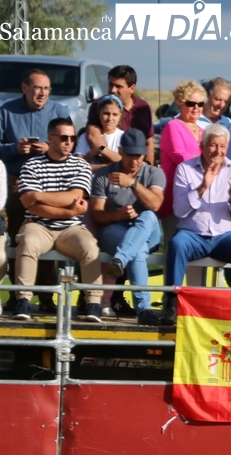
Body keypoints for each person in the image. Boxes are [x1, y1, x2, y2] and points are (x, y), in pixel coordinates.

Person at [161, 124, 231, 325]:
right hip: (193, 234)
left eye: (222, 146)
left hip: (224, 236)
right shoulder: (185, 169)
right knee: (177, 244)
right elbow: (179, 211)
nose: (218, 151)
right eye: (213, 145)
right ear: (203, 146)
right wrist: (202, 186)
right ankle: (171, 306)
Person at [11, 118, 102, 321]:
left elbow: (74, 196)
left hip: (71, 228)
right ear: (50, 139)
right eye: (63, 137)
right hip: (38, 225)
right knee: (28, 242)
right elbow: (31, 206)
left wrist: (38, 195)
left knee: (90, 247)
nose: (69, 142)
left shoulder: (81, 165)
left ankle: (93, 303)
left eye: (72, 138)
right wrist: (68, 210)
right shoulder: (31, 165)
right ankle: (23, 300)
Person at [88, 129, 165, 325]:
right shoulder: (104, 175)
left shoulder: (154, 173)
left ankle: (120, 260)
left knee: (147, 215)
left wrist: (133, 184)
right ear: (120, 151)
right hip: (115, 229)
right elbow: (97, 214)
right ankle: (144, 310)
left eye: (138, 156)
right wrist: (117, 215)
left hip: (149, 231)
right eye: (130, 155)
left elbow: (155, 204)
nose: (135, 160)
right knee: (138, 251)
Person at [0, 69, 70, 248]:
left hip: (50, 181)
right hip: (16, 180)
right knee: (17, 234)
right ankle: (18, 274)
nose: (43, 93)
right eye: (38, 88)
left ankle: (47, 276)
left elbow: (71, 145)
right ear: (24, 87)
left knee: (47, 232)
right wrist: (14, 148)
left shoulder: (59, 111)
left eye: (47, 88)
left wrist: (50, 148)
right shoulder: (6, 111)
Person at [83, 65, 155, 165]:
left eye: (118, 86)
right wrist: (113, 161)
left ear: (132, 88)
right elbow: (93, 136)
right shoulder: (99, 105)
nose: (113, 90)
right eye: (111, 85)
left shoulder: (143, 107)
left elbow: (149, 142)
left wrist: (148, 168)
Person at [157, 80, 207, 224]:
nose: (196, 108)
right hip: (176, 196)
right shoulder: (173, 127)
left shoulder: (204, 132)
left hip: (199, 199)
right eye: (191, 103)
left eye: (200, 104)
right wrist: (206, 161)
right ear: (180, 103)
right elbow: (182, 158)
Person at [75, 95, 123, 171]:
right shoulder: (84, 137)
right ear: (99, 113)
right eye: (106, 113)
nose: (110, 119)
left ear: (120, 116)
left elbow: (124, 163)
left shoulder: (124, 137)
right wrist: (107, 166)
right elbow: (79, 166)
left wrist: (101, 149)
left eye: (115, 114)